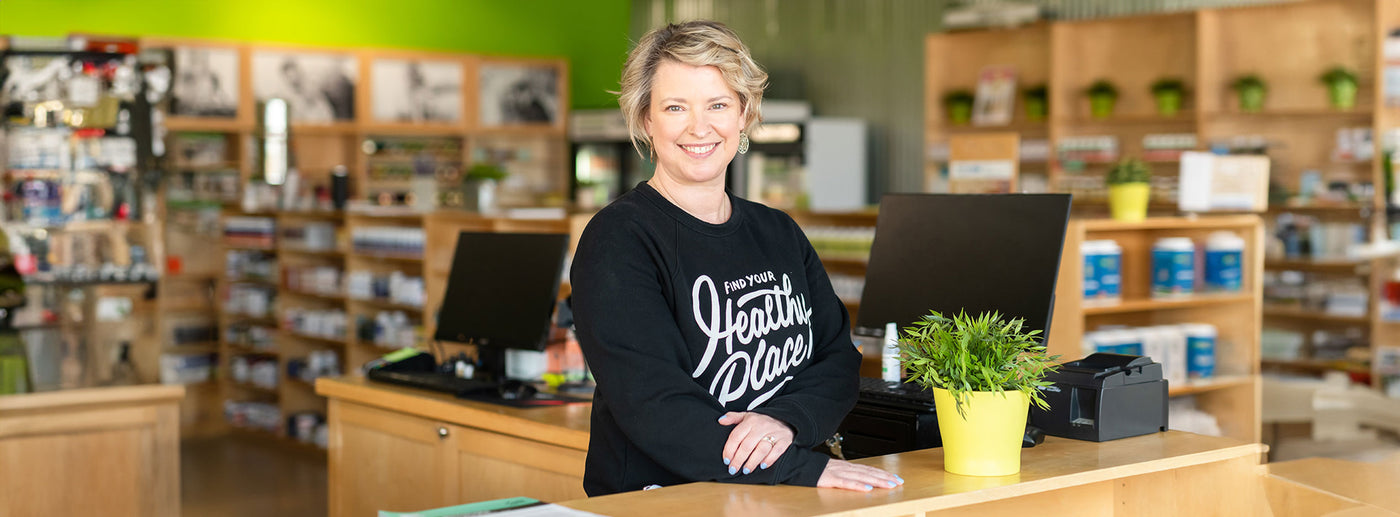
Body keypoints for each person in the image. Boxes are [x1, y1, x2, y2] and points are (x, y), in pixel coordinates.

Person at [570, 20, 903, 496]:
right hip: (663, 500)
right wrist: (800, 468)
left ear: (744, 115)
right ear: (646, 120)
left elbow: (835, 358)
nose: (699, 127)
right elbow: (653, 402)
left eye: (718, 105)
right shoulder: (619, 239)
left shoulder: (778, 232)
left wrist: (787, 423)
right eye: (675, 107)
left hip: (772, 493)